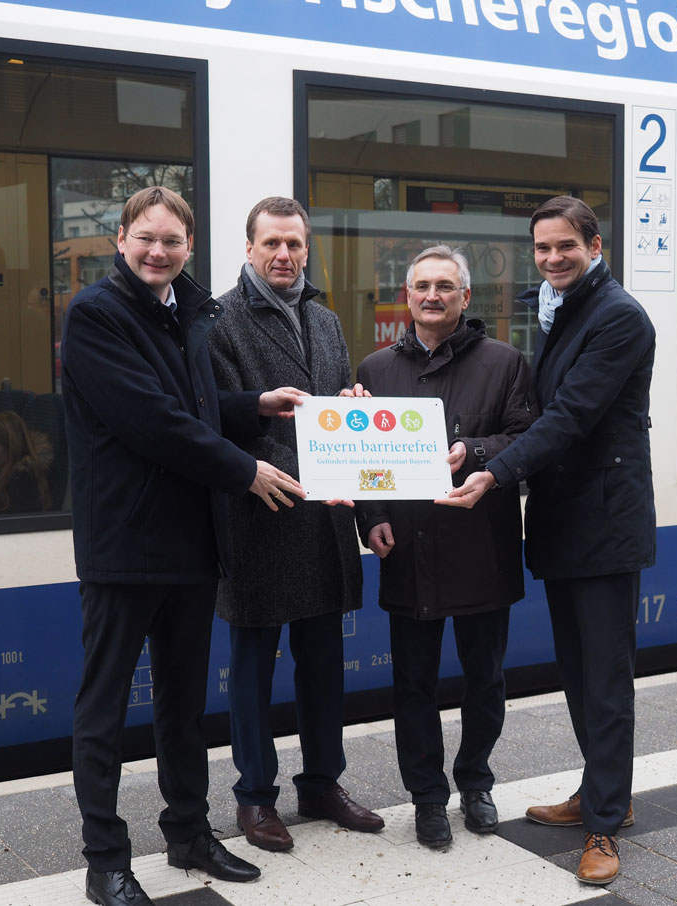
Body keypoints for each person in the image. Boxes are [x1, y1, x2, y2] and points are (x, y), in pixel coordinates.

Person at [61, 186, 307, 906]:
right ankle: (106, 861)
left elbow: (194, 407)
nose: (158, 251)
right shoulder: (96, 315)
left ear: (189, 246)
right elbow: (153, 420)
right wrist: (245, 470)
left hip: (192, 543)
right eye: (146, 238)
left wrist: (255, 406)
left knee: (182, 706)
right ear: (120, 239)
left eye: (171, 240)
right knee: (104, 711)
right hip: (124, 545)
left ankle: (190, 834)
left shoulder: (186, 311)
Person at [441, 196, 655, 886]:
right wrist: (481, 448)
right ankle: (601, 792)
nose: (553, 258)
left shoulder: (618, 317)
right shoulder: (562, 310)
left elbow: (569, 417)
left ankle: (605, 825)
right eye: (542, 248)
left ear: (595, 246)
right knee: (579, 672)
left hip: (605, 523)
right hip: (567, 520)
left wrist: (493, 472)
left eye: (566, 245)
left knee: (605, 680)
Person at [208, 196, 382, 854]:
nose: (284, 255)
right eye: (272, 244)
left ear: (308, 249)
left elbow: (335, 414)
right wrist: (317, 476)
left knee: (323, 665)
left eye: (294, 244)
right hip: (261, 519)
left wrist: (354, 412)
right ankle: (255, 796)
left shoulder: (325, 320)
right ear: (249, 248)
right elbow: (222, 422)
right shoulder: (219, 320)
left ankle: (322, 784)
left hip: (325, 523)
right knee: (253, 669)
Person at [354, 246, 536, 849]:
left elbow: (528, 438)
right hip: (408, 550)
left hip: (481, 547)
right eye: (422, 286)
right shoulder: (375, 369)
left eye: (445, 286)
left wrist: (474, 451)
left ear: (465, 296)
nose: (432, 295)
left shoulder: (506, 362)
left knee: (485, 679)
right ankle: (427, 797)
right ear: (407, 296)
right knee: (414, 684)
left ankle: (476, 783)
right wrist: (372, 517)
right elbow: (364, 459)